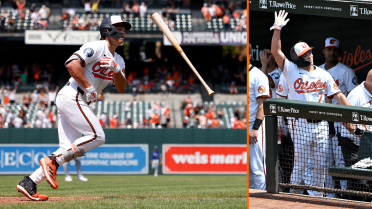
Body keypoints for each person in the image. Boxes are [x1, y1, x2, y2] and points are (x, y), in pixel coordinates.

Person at [16, 15, 130, 201]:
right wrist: (89, 86)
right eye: (119, 28)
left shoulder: (119, 60)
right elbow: (71, 64)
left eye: (124, 29)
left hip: (78, 99)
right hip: (73, 94)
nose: (123, 32)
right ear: (108, 30)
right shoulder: (97, 46)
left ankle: (29, 182)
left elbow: (122, 87)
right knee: (98, 136)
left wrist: (116, 70)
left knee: (66, 148)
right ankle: (52, 161)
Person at [270, 10, 354, 196]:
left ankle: (316, 197)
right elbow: (276, 51)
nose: (309, 55)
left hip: (321, 124)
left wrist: (351, 113)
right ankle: (292, 194)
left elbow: (338, 95)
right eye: (305, 54)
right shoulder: (290, 70)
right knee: (299, 165)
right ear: (298, 58)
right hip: (300, 124)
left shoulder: (323, 73)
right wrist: (277, 29)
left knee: (321, 165)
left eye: (309, 52)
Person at [318, 37, 358, 198]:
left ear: (339, 52)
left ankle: (343, 194)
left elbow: (353, 97)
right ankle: (329, 194)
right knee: (326, 160)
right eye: (329, 49)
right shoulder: (317, 71)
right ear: (323, 51)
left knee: (341, 161)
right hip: (323, 121)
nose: (332, 52)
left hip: (341, 121)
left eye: (335, 50)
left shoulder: (346, 71)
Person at [339, 69, 372, 198]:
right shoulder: (356, 95)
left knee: (366, 181)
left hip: (367, 145)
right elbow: (345, 121)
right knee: (358, 181)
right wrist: (359, 133)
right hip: (352, 145)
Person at [249, 43, 269, 190]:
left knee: (258, 168)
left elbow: (262, 104)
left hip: (254, 125)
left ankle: (262, 198)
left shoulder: (258, 75)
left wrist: (255, 128)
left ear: (249, 56)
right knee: (247, 170)